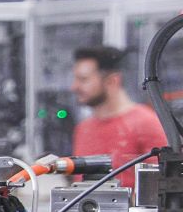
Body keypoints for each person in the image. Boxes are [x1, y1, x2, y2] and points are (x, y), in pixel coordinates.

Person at [70, 46, 166, 186]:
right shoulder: (83, 128)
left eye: (83, 79)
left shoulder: (146, 123)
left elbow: (162, 186)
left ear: (112, 81)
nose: (74, 87)